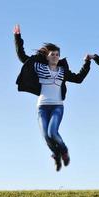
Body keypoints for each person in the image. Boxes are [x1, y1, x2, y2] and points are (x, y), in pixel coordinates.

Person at [13, 24, 91, 171]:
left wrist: (87, 63)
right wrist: (17, 38)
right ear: (47, 56)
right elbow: (22, 57)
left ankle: (64, 150)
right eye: (52, 54)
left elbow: (79, 78)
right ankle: (56, 155)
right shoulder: (39, 67)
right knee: (46, 137)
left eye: (57, 54)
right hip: (42, 106)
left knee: (52, 132)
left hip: (57, 106)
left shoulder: (63, 71)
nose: (55, 56)